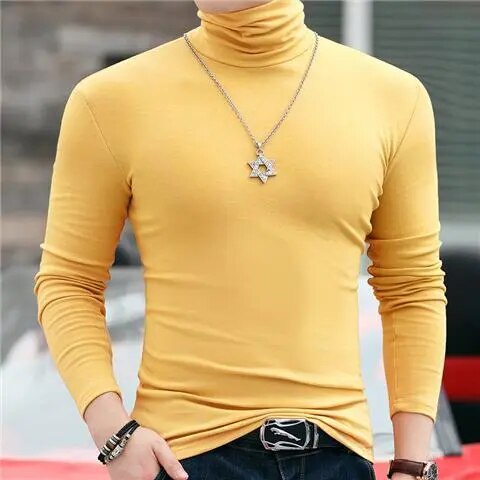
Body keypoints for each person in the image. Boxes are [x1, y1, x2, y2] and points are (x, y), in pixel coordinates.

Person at [33, 0, 447, 479]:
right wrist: (113, 432)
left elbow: (412, 288)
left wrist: (411, 465)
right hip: (181, 457)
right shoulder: (110, 100)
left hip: (339, 454)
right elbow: (69, 281)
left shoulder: (393, 99)